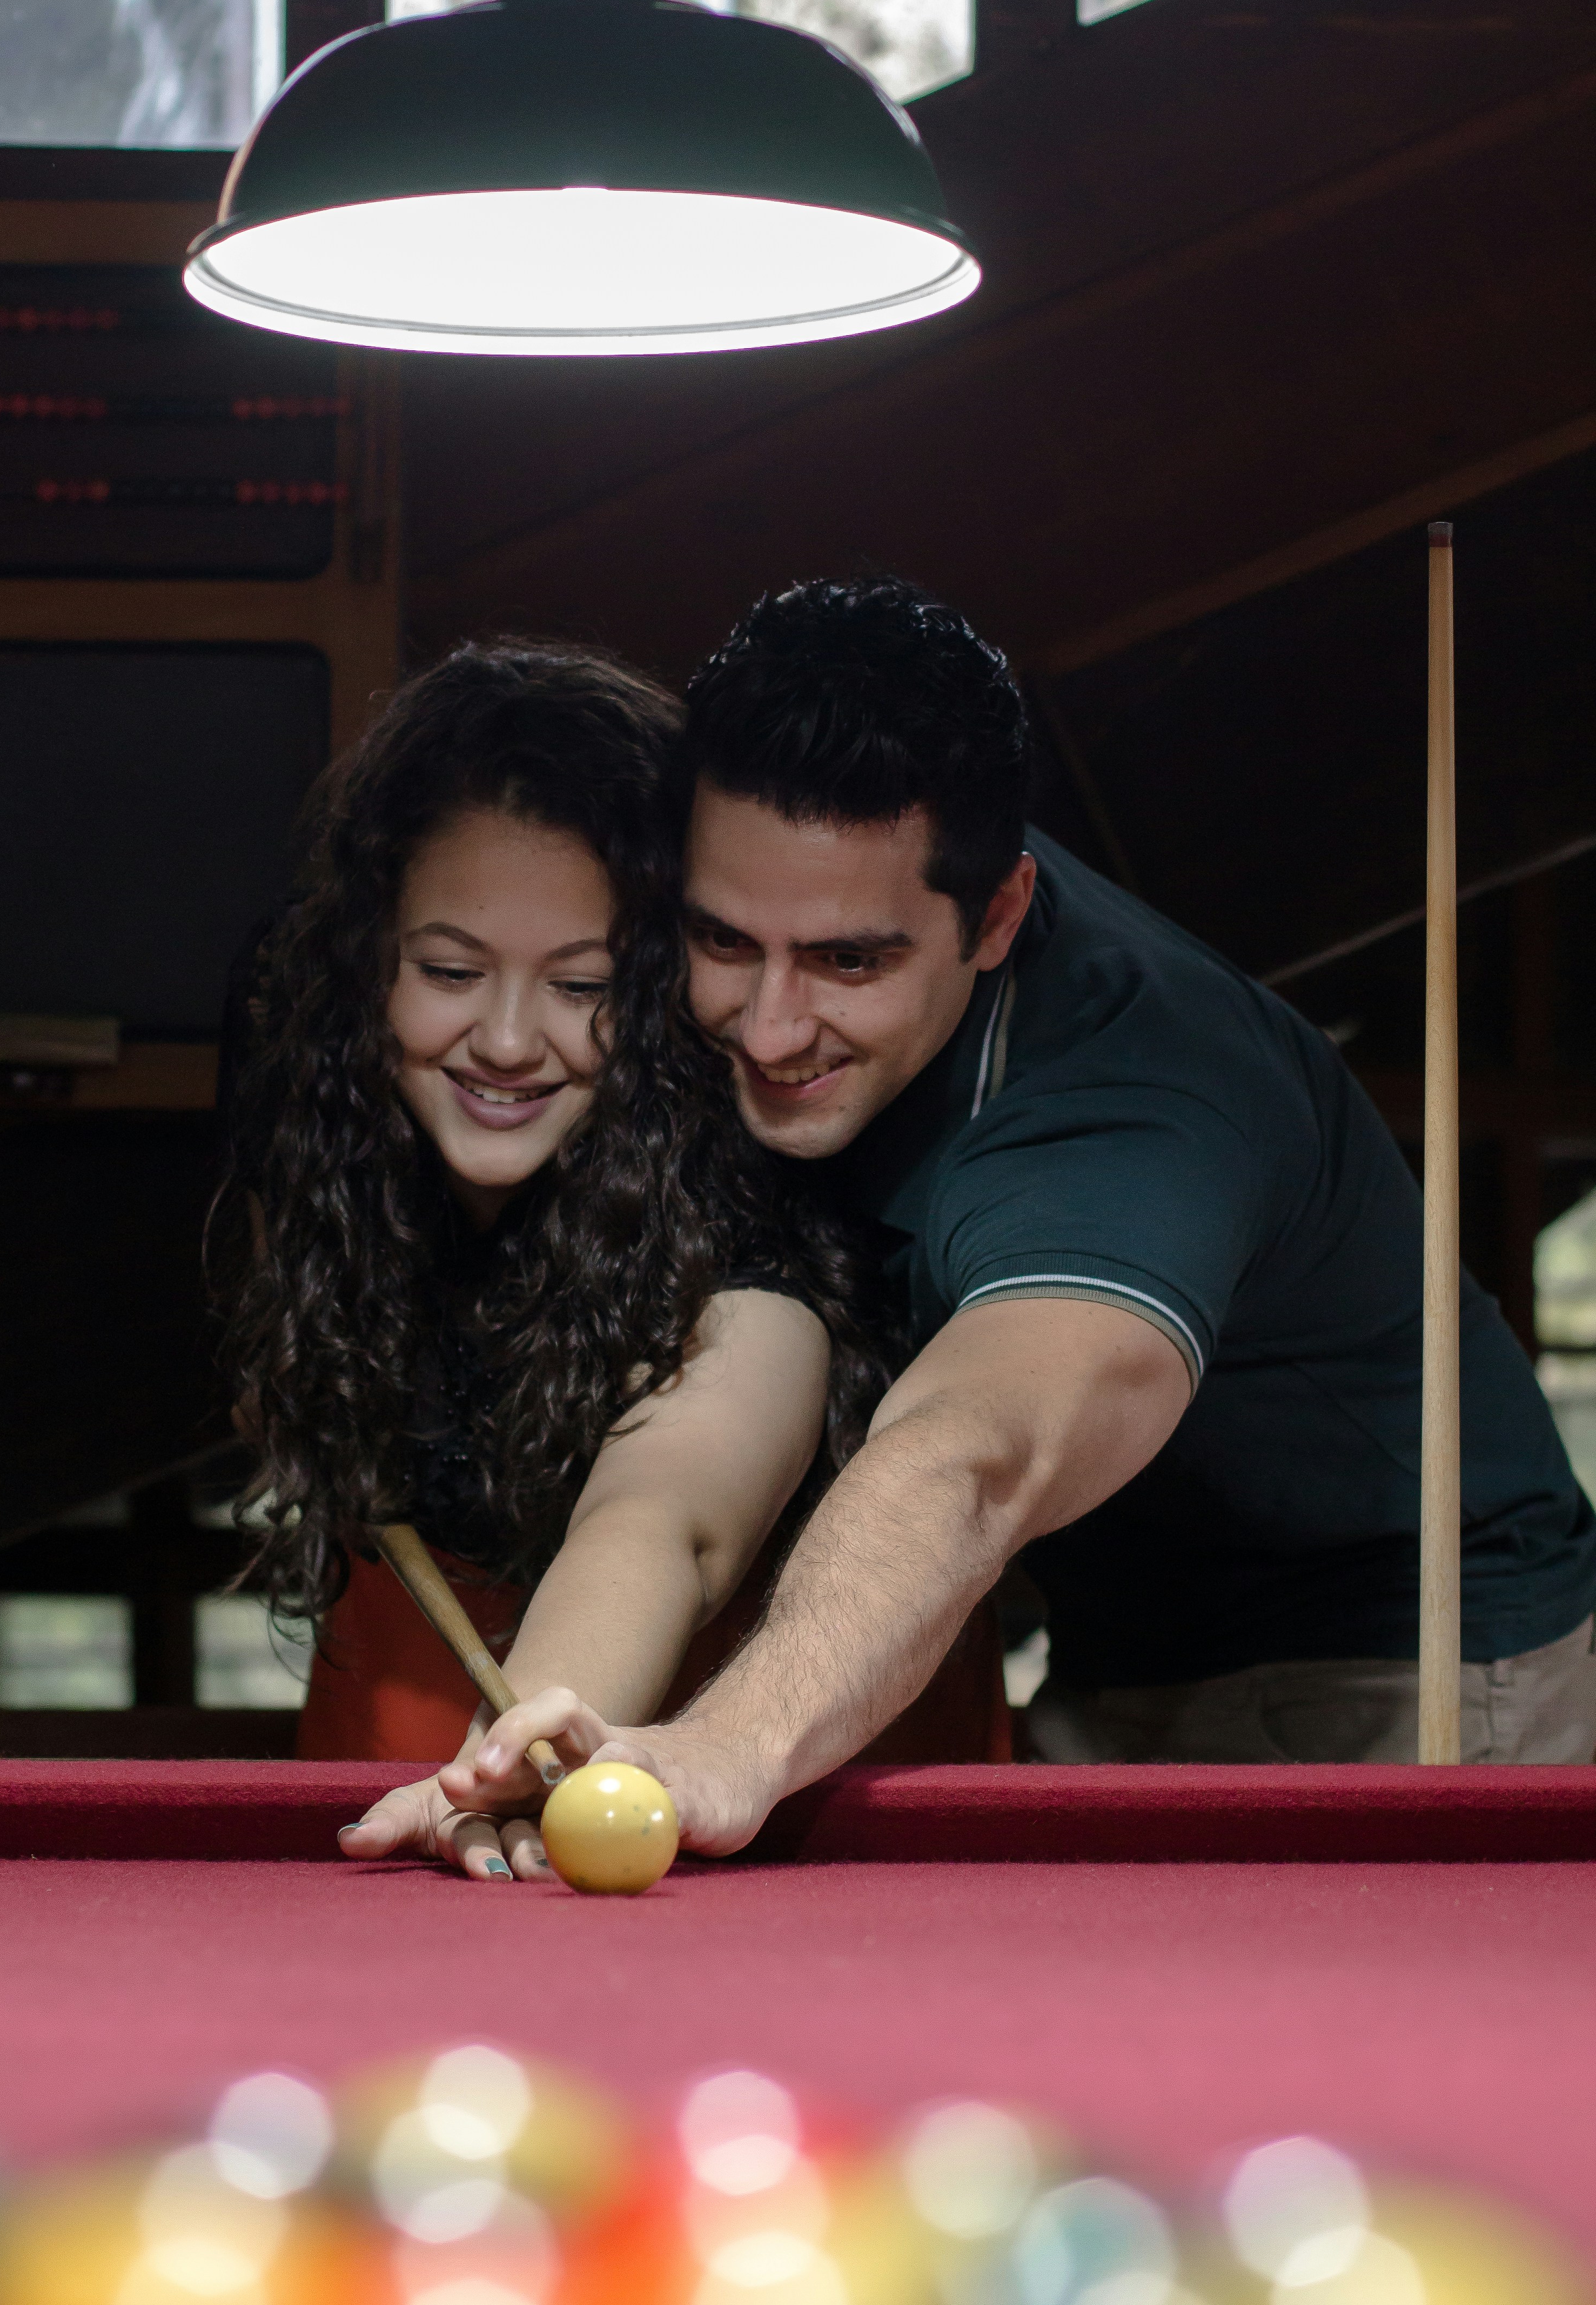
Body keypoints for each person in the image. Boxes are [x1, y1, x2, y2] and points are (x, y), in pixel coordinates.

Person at [426, 579, 1596, 1859]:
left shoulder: (1141, 1093)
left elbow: (978, 1453)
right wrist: (539, 1740)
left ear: (998, 916)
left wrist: (730, 1744)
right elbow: (693, 1460)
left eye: (849, 962)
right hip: (1120, 1658)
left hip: (1412, 1673)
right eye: (724, 939)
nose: (766, 1027)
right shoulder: (747, 979)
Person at [216, 638, 1005, 1883]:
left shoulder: (748, 1248)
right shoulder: (331, 1150)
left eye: (582, 985)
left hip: (779, 1836)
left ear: (651, 998)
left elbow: (662, 1525)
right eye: (451, 971)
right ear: (370, 969)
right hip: (430, 1740)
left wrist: (516, 1748)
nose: (509, 1040)